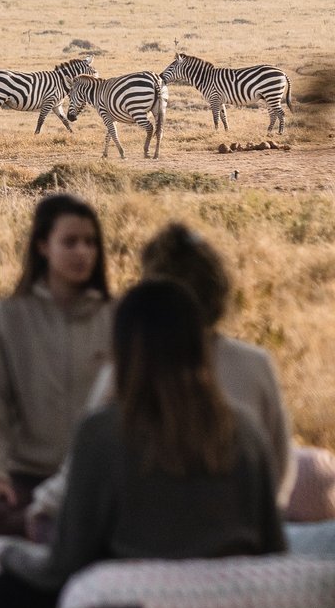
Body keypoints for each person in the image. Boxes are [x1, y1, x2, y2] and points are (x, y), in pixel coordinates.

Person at [0, 279, 288, 608]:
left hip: (130, 603)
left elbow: (66, 562)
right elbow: (273, 547)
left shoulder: (101, 431)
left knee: (0, 592)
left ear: (124, 349)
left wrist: (10, 556)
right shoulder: (245, 429)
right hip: (237, 605)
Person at [26, 222, 292, 532]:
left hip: (142, 538)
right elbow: (278, 468)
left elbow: (81, 472)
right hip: (239, 531)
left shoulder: (126, 370)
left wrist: (41, 508)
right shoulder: (255, 364)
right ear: (217, 292)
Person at [0, 193, 114, 536]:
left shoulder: (115, 317)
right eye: (71, 242)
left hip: (100, 479)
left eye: (91, 243)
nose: (83, 252)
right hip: (27, 477)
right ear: (43, 246)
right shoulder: (9, 317)